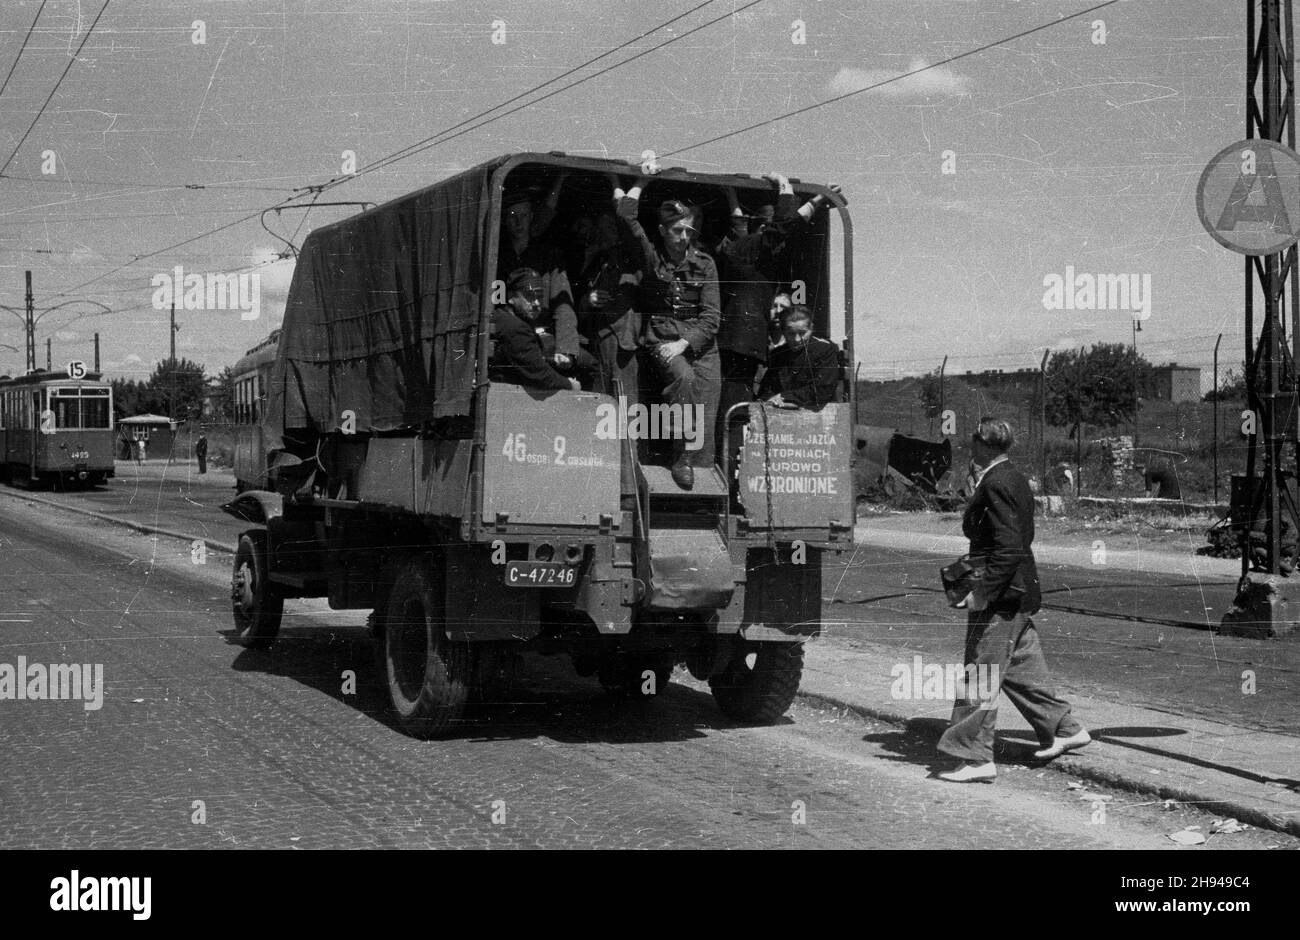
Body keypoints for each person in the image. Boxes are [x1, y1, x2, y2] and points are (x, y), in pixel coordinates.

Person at [936, 417, 1090, 783]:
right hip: (1018, 590)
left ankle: (974, 757)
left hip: (1002, 593)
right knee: (1021, 665)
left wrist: (982, 591)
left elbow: (1008, 546)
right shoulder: (1013, 477)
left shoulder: (996, 482)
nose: (969, 446)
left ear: (983, 443)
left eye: (973, 440)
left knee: (980, 671)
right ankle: (1064, 729)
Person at [714, 175, 841, 465]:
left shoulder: (738, 249)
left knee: (731, 407)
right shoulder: (758, 248)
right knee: (735, 410)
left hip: (734, 340)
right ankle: (731, 472)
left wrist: (733, 200)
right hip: (742, 342)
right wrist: (795, 194)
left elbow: (742, 228)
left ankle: (729, 467)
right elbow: (782, 228)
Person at [613, 179, 721, 490]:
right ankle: (681, 457)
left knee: (708, 394)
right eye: (677, 231)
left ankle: (703, 470)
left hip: (698, 341)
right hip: (661, 336)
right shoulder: (652, 257)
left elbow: (712, 316)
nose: (684, 237)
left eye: (689, 231)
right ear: (662, 231)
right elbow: (626, 218)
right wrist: (641, 182)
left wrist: (685, 343)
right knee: (684, 379)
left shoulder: (705, 264)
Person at [497, 189, 580, 362]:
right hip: (509, 337)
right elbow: (495, 302)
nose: (519, 222)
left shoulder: (549, 256)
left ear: (532, 217)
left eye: (524, 216)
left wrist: (566, 348)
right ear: (505, 220)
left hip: (542, 336)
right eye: (513, 216)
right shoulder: (497, 256)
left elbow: (563, 303)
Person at [572, 211, 641, 400]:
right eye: (600, 228)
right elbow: (579, 303)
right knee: (602, 402)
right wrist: (588, 299)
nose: (602, 233)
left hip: (621, 342)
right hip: (597, 342)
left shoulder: (631, 259)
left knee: (623, 403)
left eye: (608, 228)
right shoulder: (597, 261)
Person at [489, 268, 583, 392]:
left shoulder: (502, 317)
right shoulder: (517, 328)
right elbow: (540, 375)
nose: (537, 303)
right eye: (530, 296)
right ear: (511, 297)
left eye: (540, 297)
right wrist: (570, 385)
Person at [757, 306, 842, 409]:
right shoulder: (778, 354)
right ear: (783, 331)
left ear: (811, 328)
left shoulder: (824, 350)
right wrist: (770, 400)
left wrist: (785, 397)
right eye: (791, 334)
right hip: (780, 413)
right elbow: (768, 388)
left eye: (802, 333)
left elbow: (823, 389)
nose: (797, 339)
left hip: (817, 412)